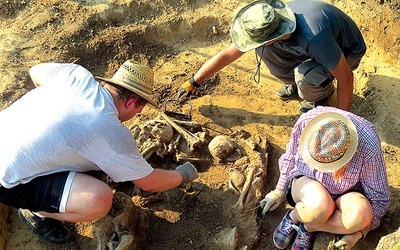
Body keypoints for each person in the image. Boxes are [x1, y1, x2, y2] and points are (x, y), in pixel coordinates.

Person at [0, 60, 199, 244]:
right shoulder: (108, 129)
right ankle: (37, 213)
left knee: (93, 161)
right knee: (99, 200)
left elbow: (35, 71)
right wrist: (184, 174)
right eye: (136, 113)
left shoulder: (76, 75)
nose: (131, 118)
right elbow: (150, 181)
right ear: (131, 103)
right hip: (6, 183)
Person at [176, 0, 366, 113]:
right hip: (314, 47)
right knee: (262, 51)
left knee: (305, 75)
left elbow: (346, 76)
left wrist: (343, 118)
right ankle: (301, 86)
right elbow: (227, 55)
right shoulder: (271, 23)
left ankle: (319, 95)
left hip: (346, 50)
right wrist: (194, 81)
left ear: (272, 37)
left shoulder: (314, 36)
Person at [260, 106, 390, 249]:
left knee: (361, 216)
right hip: (308, 183)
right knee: (319, 206)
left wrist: (358, 232)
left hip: (347, 194)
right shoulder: (308, 120)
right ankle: (296, 216)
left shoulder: (369, 147)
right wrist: (279, 191)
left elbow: (379, 199)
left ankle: (308, 226)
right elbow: (290, 157)